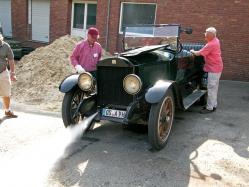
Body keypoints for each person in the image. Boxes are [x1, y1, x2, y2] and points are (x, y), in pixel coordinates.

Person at [190, 27, 223, 114]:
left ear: (211, 35)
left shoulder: (211, 44)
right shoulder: (216, 40)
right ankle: (213, 105)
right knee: (214, 88)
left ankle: (209, 108)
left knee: (211, 88)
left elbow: (198, 53)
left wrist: (192, 51)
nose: (205, 35)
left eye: (206, 34)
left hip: (214, 69)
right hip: (217, 67)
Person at [0, 33, 18, 118]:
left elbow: (11, 59)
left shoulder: (5, 46)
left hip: (3, 73)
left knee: (6, 94)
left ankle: (7, 111)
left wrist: (12, 73)